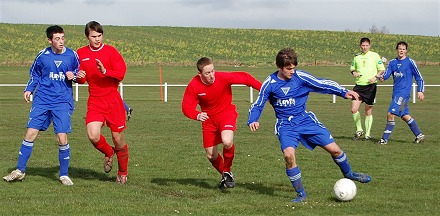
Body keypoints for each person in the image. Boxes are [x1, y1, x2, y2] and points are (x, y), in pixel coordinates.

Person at [247, 48, 371, 202]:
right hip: (286, 125)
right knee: (288, 156)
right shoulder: (270, 83)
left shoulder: (300, 77)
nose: (292, 71)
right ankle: (301, 194)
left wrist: (343, 92)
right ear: (280, 67)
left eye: (294, 67)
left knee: (335, 150)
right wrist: (253, 119)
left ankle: (349, 173)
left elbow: (322, 83)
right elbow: (258, 103)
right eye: (288, 68)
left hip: (305, 120)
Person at [3, 25, 79, 185]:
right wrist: (29, 89)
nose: (61, 41)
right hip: (42, 100)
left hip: (62, 101)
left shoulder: (72, 55)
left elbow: (79, 72)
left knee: (62, 137)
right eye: (57, 39)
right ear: (49, 40)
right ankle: (20, 170)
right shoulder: (43, 56)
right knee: (30, 134)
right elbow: (35, 74)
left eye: (63, 38)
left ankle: (64, 174)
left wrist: (75, 76)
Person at [182, 57, 262, 189]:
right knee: (211, 155)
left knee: (227, 141)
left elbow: (246, 78)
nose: (212, 75)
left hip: (226, 114)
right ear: (199, 74)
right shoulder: (194, 85)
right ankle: (227, 174)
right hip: (208, 120)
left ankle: (226, 170)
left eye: (213, 71)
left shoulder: (222, 78)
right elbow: (186, 107)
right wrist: (197, 114)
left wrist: (264, 91)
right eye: (207, 73)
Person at [76, 21, 129, 184]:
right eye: (93, 36)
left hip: (113, 100)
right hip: (95, 100)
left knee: (117, 138)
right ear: (87, 37)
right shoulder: (80, 53)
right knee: (93, 135)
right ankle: (108, 153)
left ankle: (122, 172)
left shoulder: (111, 52)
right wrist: (79, 77)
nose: (97, 39)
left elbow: (121, 73)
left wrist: (105, 71)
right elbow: (82, 79)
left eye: (99, 36)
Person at [377, 41, 425, 145]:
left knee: (390, 113)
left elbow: (419, 77)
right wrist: (380, 77)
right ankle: (419, 135)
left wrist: (420, 90)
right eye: (399, 48)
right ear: (397, 50)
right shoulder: (393, 62)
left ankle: (384, 139)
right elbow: (385, 76)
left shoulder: (410, 62)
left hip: (403, 94)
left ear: (406, 51)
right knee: (404, 115)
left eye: (403, 49)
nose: (401, 51)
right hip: (396, 93)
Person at [350, 37, 385, 141]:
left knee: (368, 111)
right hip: (358, 86)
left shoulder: (375, 56)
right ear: (360, 46)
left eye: (366, 45)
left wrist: (375, 77)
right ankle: (359, 130)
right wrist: (354, 72)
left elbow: (381, 69)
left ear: (370, 46)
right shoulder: (357, 57)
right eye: (363, 45)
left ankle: (367, 134)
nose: (364, 47)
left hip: (371, 87)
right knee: (353, 109)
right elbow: (352, 68)